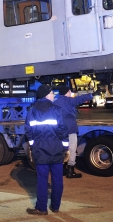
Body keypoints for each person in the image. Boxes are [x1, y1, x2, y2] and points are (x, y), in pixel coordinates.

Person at [25, 84, 69, 215]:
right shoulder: (57, 110)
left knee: (42, 181)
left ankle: (41, 208)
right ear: (46, 95)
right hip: (56, 150)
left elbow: (29, 131)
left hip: (40, 150)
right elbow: (63, 130)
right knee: (57, 181)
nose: (54, 95)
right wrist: (66, 148)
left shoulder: (32, 111)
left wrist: (32, 147)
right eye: (51, 93)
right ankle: (55, 206)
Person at [54, 85, 97, 178]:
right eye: (70, 92)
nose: (71, 94)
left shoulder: (56, 102)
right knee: (72, 149)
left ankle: (61, 169)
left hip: (59, 130)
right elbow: (79, 99)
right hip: (70, 129)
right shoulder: (68, 100)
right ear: (67, 92)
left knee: (61, 149)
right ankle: (70, 170)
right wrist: (91, 95)